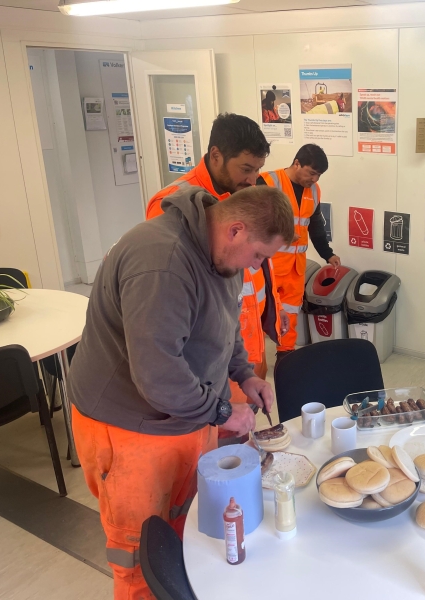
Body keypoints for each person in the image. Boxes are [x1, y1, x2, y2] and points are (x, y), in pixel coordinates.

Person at [68, 185, 295, 600]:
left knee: (182, 530)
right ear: (236, 231)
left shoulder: (224, 257)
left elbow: (225, 325)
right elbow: (158, 376)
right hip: (128, 425)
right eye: (260, 255)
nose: (258, 266)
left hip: (186, 415)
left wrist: (245, 375)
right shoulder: (163, 262)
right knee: (141, 557)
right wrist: (225, 413)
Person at [146, 113, 286, 381]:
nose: (253, 178)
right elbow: (169, 303)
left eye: (258, 169)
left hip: (246, 342)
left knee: (248, 418)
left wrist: (274, 313)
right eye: (246, 169)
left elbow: (259, 264)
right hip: (209, 356)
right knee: (221, 419)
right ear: (216, 155)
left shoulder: (243, 194)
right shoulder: (171, 205)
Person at [261, 144, 341, 357]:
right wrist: (281, 233)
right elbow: (251, 221)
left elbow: (315, 225)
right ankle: (252, 359)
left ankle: (284, 354)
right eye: (312, 172)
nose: (315, 179)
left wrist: (327, 253)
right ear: (297, 163)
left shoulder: (313, 190)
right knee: (260, 311)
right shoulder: (268, 182)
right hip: (266, 265)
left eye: (319, 175)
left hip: (295, 268)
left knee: (290, 312)